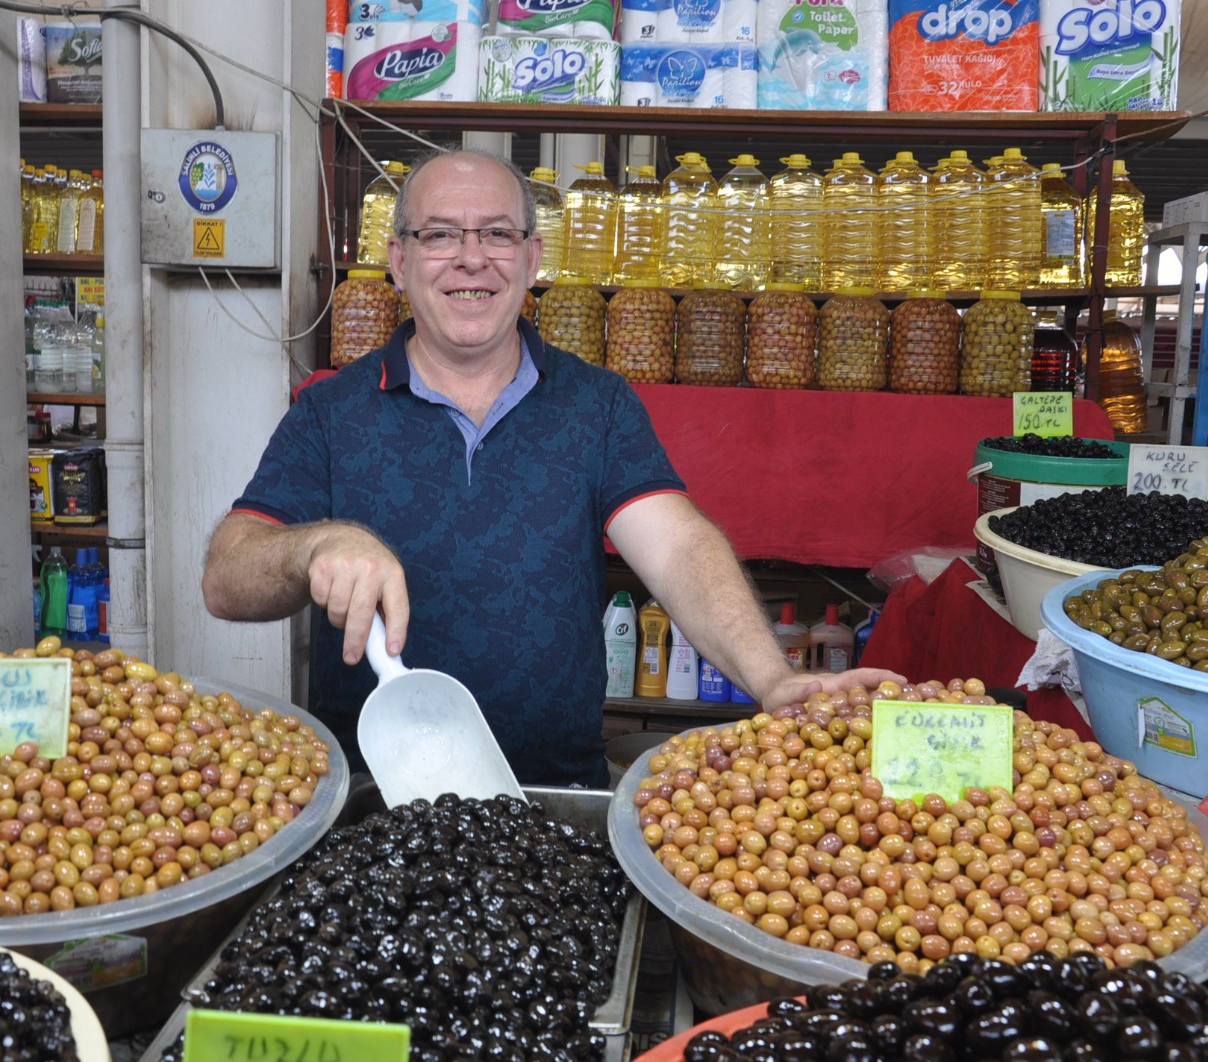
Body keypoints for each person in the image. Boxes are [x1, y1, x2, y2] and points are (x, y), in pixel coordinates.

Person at [203, 148, 900, 786]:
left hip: (556, 801)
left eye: (498, 234)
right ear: (398, 259)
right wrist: (314, 547)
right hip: (371, 798)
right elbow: (227, 579)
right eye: (440, 234)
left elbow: (679, 547)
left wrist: (771, 680)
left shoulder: (596, 406)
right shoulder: (331, 411)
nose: (471, 259)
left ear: (533, 259)